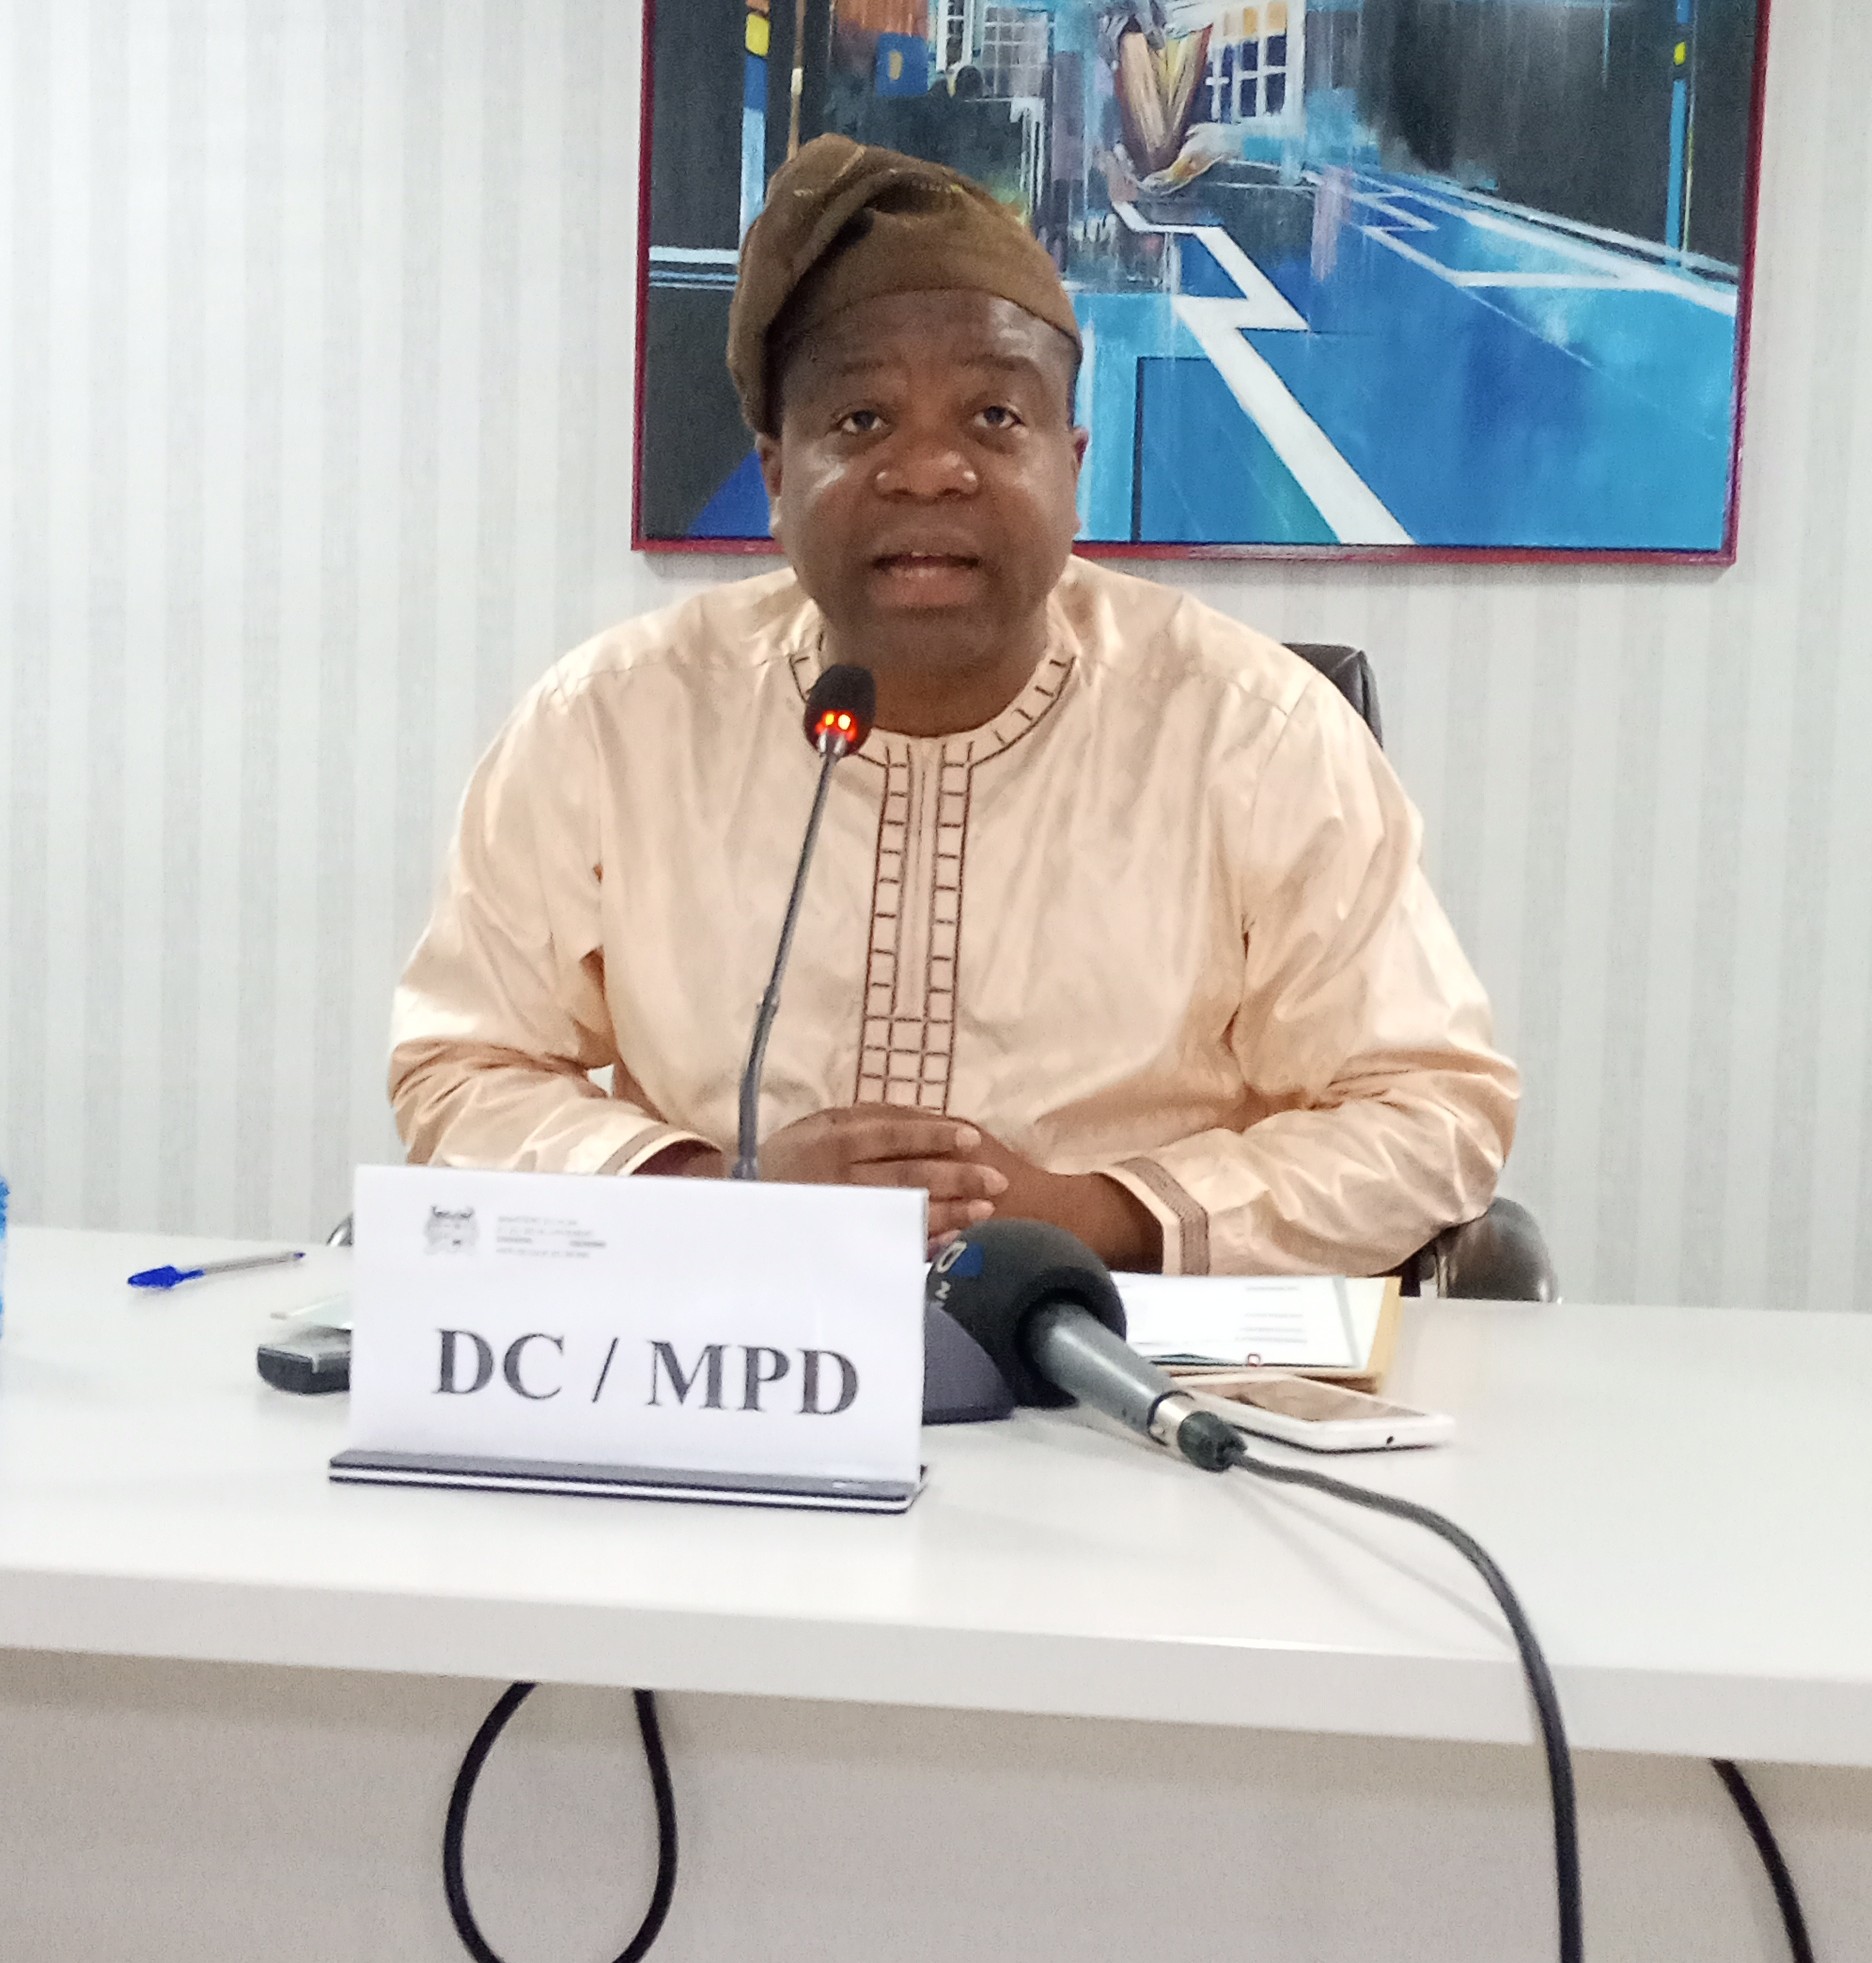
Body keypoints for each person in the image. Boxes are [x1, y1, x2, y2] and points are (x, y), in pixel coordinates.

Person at [389, 134, 1517, 1277]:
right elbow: (460, 1067)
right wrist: (719, 1195)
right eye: (861, 422)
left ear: (1072, 464)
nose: (929, 470)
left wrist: (1094, 1215)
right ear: (776, 477)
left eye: (994, 418)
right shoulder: (611, 723)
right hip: (727, 1343)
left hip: (1119, 1354)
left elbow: (1432, 1113)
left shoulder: (1256, 735)